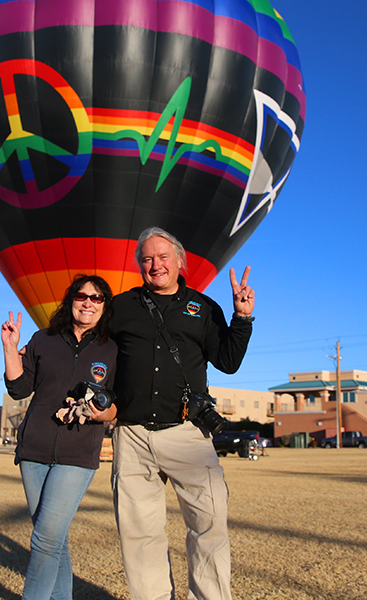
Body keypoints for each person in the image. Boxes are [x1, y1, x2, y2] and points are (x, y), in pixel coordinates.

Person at [109, 227, 254, 600]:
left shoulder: (204, 308)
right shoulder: (121, 307)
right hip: (133, 434)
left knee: (209, 525)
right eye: (147, 259)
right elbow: (99, 356)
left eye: (162, 257)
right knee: (139, 533)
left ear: (180, 261)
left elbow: (228, 361)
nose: (155, 265)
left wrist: (241, 319)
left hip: (187, 433)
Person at [3, 275, 119, 600]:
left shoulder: (112, 349)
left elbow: (118, 404)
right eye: (82, 296)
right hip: (34, 450)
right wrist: (10, 349)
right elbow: (18, 389)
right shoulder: (43, 339)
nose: (88, 303)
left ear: (105, 306)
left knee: (45, 539)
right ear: (70, 300)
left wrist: (102, 413)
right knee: (54, 538)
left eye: (97, 298)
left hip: (77, 453)